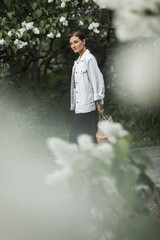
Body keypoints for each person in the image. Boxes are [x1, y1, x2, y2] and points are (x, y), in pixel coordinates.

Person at [69, 31, 105, 143]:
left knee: (75, 137)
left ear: (83, 41)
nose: (73, 45)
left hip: (88, 106)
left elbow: (97, 81)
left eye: (76, 42)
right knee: (89, 138)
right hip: (80, 106)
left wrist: (98, 102)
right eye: (71, 43)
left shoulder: (89, 59)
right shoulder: (77, 62)